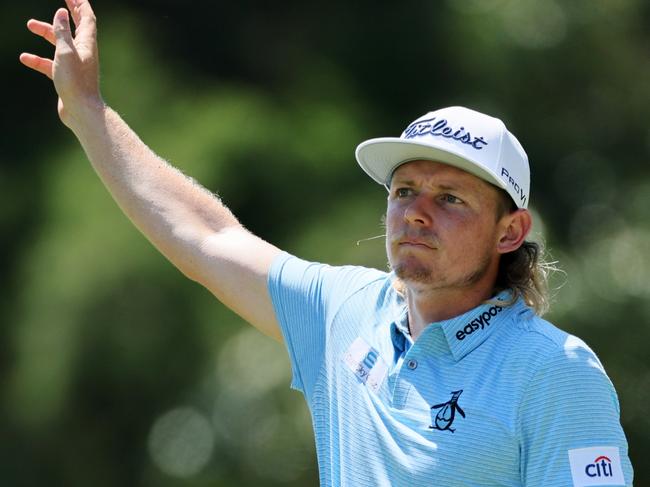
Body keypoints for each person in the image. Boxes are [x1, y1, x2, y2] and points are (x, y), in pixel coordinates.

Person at [21, 1, 633, 485]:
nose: (416, 214)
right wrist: (89, 112)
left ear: (511, 231)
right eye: (404, 191)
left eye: (450, 198)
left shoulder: (555, 373)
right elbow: (206, 236)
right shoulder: (344, 311)